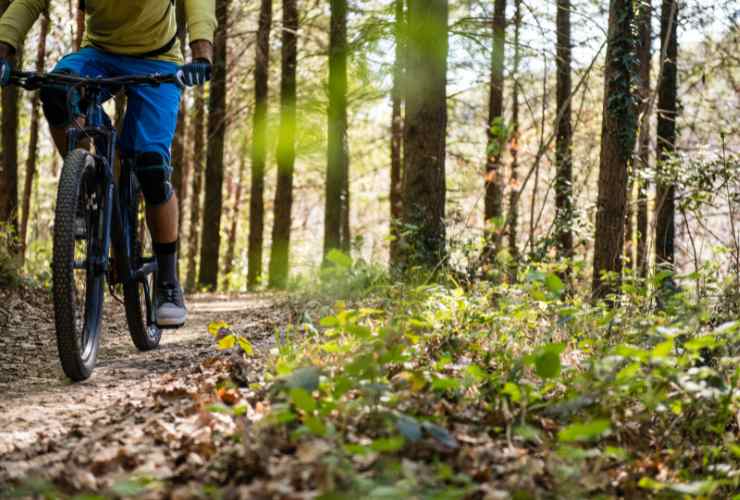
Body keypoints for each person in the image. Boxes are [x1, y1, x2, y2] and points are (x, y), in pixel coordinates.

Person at [0, 0, 217, 328]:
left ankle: (168, 283)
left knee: (152, 167)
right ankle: (89, 185)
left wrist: (201, 52)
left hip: (158, 58)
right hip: (97, 54)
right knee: (58, 93)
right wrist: (4, 47)